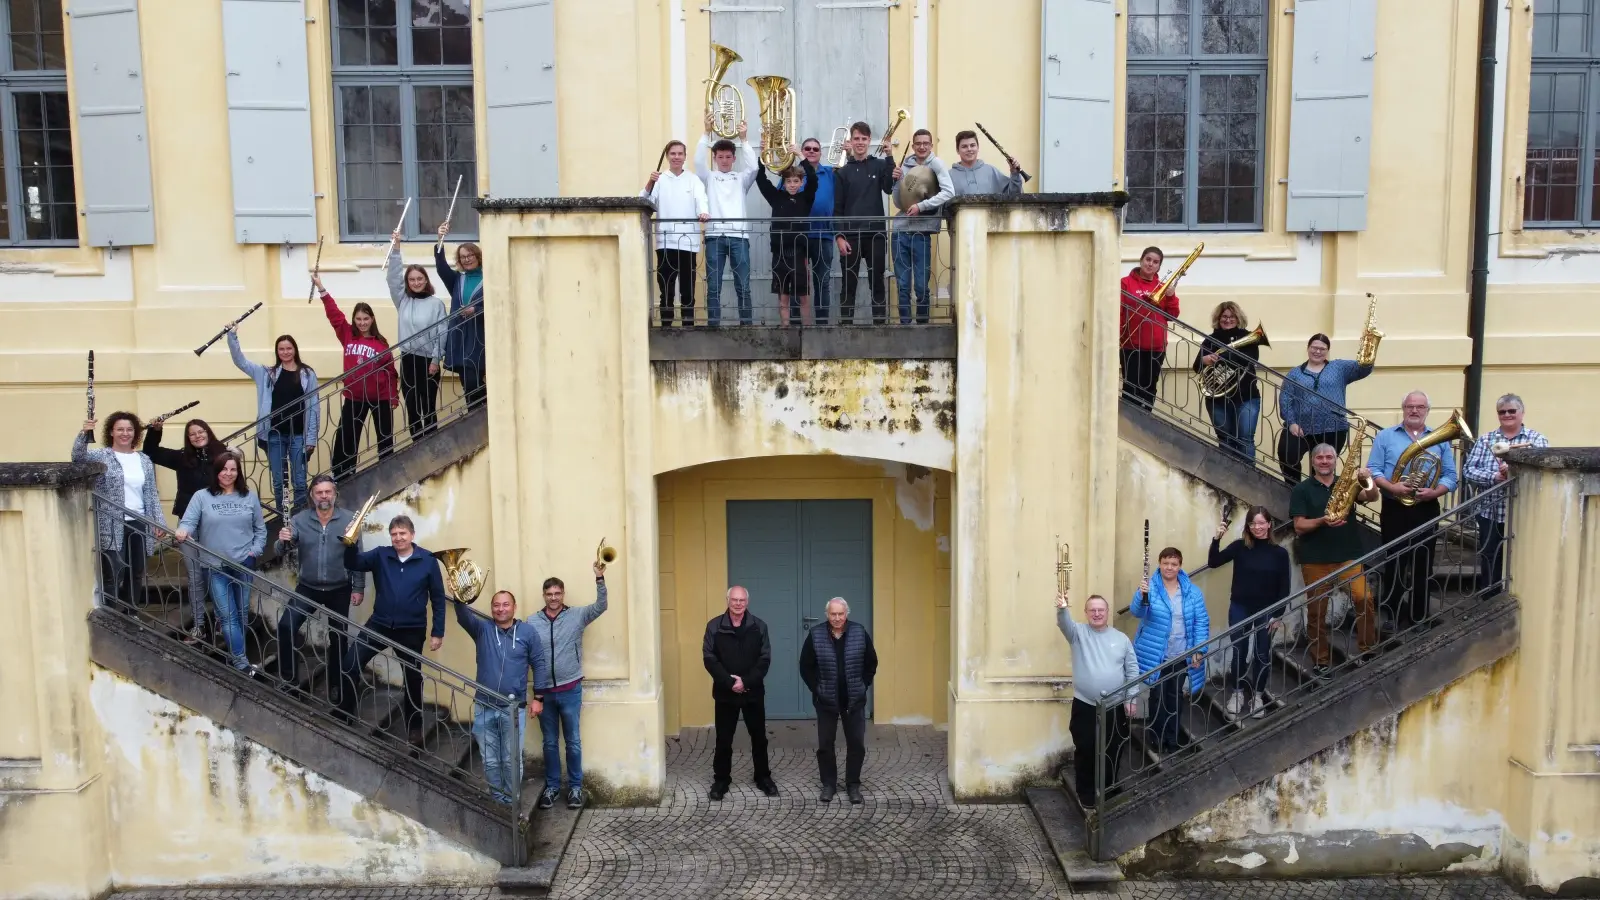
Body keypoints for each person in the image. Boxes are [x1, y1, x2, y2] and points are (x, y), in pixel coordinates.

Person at [339, 515, 447, 743]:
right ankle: (345, 714)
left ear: (412, 535)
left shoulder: (427, 560)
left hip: (412, 630)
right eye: (394, 534)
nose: (398, 538)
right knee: (350, 664)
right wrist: (350, 543)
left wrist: (438, 631)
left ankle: (414, 727)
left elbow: (438, 599)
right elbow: (353, 563)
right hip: (379, 624)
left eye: (402, 533)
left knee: (412, 679)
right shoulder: (381, 554)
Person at [1368, 391, 1459, 634]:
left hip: (1426, 508)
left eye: (1420, 407)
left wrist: (1435, 492)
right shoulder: (1386, 436)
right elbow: (1374, 469)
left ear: (1427, 410)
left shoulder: (1439, 439)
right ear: (1403, 409)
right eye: (1410, 406)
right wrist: (1392, 486)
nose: (1414, 410)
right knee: (1395, 562)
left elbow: (1451, 475)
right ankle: (1392, 615)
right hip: (1395, 507)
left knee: (1423, 563)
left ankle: (1419, 616)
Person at [1290, 443, 1381, 678]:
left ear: (1335, 460)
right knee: (1317, 612)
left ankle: (1368, 650)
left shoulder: (1347, 484)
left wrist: (1368, 480)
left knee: (1364, 598)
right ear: (1312, 462)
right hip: (1315, 559)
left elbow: (1371, 496)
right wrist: (1322, 521)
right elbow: (1299, 526)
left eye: (1329, 457)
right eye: (1319, 457)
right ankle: (1320, 661)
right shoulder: (1302, 489)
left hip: (1348, 556)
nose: (1324, 461)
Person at [275, 474, 366, 702]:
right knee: (286, 626)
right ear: (312, 496)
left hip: (339, 589)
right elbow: (282, 549)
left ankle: (336, 685)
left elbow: (357, 557)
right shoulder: (300, 519)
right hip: (308, 587)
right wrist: (282, 540)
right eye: (319, 492)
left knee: (338, 639)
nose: (324, 496)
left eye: (327, 492)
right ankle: (289, 680)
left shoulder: (349, 519)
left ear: (335, 494)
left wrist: (359, 587)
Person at [528, 562, 609, 811]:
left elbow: (601, 606)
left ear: (563, 594)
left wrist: (599, 578)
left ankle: (575, 787)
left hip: (570, 689)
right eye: (549, 594)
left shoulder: (576, 616)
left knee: (573, 742)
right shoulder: (532, 622)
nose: (553, 598)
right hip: (544, 694)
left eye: (557, 593)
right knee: (550, 743)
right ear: (544, 596)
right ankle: (552, 787)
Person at [176, 453, 267, 674]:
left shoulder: (249, 496)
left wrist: (254, 553)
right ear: (216, 472)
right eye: (223, 469)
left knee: (242, 615)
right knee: (227, 615)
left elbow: (260, 530)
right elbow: (188, 521)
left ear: (238, 472)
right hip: (215, 566)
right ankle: (240, 662)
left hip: (243, 564)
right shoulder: (202, 497)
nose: (228, 474)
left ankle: (235, 657)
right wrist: (183, 530)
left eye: (233, 469)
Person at [452, 589, 545, 805]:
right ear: (491, 608)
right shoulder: (482, 629)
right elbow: (463, 616)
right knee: (491, 760)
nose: (500, 609)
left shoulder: (528, 633)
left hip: (513, 709)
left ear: (514, 607)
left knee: (511, 760)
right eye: (496, 605)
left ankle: (512, 803)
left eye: (505, 604)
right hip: (484, 706)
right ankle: (498, 799)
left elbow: (539, 664)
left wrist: (539, 698)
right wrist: (458, 594)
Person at [145, 416, 228, 643]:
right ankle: (199, 626)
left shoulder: (223, 456)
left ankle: (222, 621)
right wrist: (155, 430)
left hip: (216, 523)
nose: (197, 436)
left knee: (216, 572)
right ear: (188, 438)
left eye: (201, 431)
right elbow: (151, 452)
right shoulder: (182, 458)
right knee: (194, 577)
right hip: (188, 523)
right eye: (192, 433)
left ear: (208, 432)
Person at [1055, 590, 1137, 807]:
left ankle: (1109, 789)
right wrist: (1062, 608)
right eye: (1093, 610)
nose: (1097, 614)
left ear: (1107, 612)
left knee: (1114, 748)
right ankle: (1087, 793)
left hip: (1115, 704)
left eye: (1101, 610)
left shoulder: (1121, 639)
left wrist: (1131, 698)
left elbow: (1132, 670)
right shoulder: (1078, 633)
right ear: (1086, 612)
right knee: (1086, 748)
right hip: (1085, 704)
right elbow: (1064, 624)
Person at [74, 414, 165, 608]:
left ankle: (131, 615)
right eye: (120, 429)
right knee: (114, 573)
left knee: (136, 572)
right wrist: (84, 433)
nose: (125, 433)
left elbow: (151, 493)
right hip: (112, 522)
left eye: (129, 430)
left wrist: (158, 521)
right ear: (111, 432)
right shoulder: (102, 455)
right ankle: (111, 616)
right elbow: (78, 458)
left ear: (135, 433)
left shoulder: (144, 460)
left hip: (139, 521)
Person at [1208, 506, 1290, 718]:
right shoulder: (1239, 547)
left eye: (1262, 523)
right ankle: (1237, 693)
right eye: (1253, 524)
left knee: (1262, 654)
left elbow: (1284, 587)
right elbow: (1214, 562)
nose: (1258, 527)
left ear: (1269, 524)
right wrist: (1217, 538)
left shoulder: (1280, 554)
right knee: (1239, 652)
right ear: (1248, 526)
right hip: (1240, 607)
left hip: (1267, 610)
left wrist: (1278, 614)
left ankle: (1258, 696)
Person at [1463, 393, 1548, 593]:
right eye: (1502, 412)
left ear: (1522, 413)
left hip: (1522, 512)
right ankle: (1488, 600)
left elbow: (1542, 471)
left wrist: (1512, 470)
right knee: (1489, 556)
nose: (1507, 415)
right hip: (1490, 512)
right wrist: (1494, 476)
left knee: (1520, 556)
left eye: (1512, 411)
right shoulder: (1486, 439)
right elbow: (1468, 470)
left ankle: (1517, 598)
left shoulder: (1536, 439)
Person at [1128, 547, 1209, 755]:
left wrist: (1199, 650)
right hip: (1157, 655)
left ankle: (1172, 739)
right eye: (1166, 563)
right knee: (1158, 696)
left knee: (1175, 697)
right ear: (1160, 564)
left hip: (1181, 654)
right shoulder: (1151, 588)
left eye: (1174, 564)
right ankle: (1157, 737)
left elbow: (1201, 622)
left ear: (1180, 565)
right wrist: (1140, 594)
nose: (1169, 567)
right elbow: (1137, 612)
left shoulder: (1192, 592)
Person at [227, 328, 319, 511]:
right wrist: (232, 336)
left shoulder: (307, 374)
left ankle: (299, 518)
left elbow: (314, 406)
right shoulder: (267, 373)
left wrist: (311, 438)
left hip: (298, 435)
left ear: (295, 350)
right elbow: (240, 362)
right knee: (278, 482)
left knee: (300, 481)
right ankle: (282, 519)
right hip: (274, 435)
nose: (285, 352)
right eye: (281, 349)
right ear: (277, 352)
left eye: (289, 348)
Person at [799, 597, 878, 804]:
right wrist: (817, 689)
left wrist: (863, 685)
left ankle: (853, 785)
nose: (836, 618)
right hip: (826, 701)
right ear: (827, 614)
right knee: (825, 744)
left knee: (856, 745)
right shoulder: (816, 635)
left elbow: (871, 662)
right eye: (833, 614)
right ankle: (829, 785)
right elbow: (805, 666)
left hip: (854, 700)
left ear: (846, 613)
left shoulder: (859, 632)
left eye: (840, 614)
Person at [702, 585, 777, 800]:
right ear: (727, 600)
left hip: (753, 692)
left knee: (759, 738)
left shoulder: (759, 626)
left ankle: (763, 777)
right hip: (725, 694)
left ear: (747, 602)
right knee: (724, 739)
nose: (738, 603)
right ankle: (721, 779)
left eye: (742, 600)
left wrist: (746, 681)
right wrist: (728, 682)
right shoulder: (714, 626)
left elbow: (765, 659)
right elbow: (709, 658)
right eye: (734, 600)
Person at [319, 280, 399, 479]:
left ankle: (387, 473)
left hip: (379, 399)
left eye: (365, 319)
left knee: (385, 437)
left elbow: (390, 372)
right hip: (354, 398)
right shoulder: (347, 335)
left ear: (372, 319)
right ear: (354, 320)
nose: (362, 323)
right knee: (346, 438)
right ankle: (343, 476)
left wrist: (393, 397)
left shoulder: (381, 344)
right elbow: (334, 315)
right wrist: (322, 290)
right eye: (358, 319)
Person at [1277, 333, 1373, 484]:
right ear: (1308, 348)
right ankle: (1294, 490)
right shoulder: (1295, 373)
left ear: (1327, 351)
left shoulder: (1339, 367)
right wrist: (1292, 423)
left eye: (1322, 348)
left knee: (1323, 467)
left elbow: (1363, 370)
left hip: (1332, 428)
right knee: (1287, 454)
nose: (1318, 351)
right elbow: (1285, 400)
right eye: (1314, 347)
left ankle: (1320, 499)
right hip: (1301, 427)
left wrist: (1370, 349)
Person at [695, 115, 759, 326]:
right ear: (714, 157)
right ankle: (714, 326)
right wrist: (706, 133)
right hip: (714, 237)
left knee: (743, 285)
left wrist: (744, 139)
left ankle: (746, 326)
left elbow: (754, 168)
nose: (724, 160)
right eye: (720, 156)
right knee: (714, 285)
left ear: (733, 158)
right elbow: (697, 162)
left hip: (739, 237)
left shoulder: (741, 179)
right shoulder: (709, 177)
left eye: (728, 157)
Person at [833, 121, 895, 325]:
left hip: (876, 234)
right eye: (856, 138)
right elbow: (838, 208)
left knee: (876, 281)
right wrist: (839, 236)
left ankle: (880, 326)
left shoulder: (879, 164)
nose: (860, 142)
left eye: (864, 139)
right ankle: (846, 326)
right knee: (848, 283)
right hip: (851, 236)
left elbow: (888, 188)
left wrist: (890, 157)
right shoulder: (842, 172)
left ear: (869, 141)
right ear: (851, 141)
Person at [385, 236, 448, 439]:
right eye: (412, 279)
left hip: (429, 361)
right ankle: (417, 444)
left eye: (420, 279)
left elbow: (441, 332)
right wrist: (396, 249)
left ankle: (431, 443)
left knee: (427, 405)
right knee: (412, 406)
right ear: (408, 283)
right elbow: (393, 280)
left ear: (426, 280)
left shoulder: (435, 304)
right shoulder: (402, 301)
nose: (416, 282)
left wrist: (436, 360)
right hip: (408, 358)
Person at [890, 129, 955, 325]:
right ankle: (905, 327)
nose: (922, 147)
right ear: (913, 145)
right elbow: (898, 202)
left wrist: (922, 206)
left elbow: (949, 192)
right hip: (900, 230)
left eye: (926, 143)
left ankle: (922, 327)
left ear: (931, 145)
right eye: (918, 143)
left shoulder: (936, 164)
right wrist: (897, 182)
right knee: (902, 285)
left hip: (922, 231)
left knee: (920, 286)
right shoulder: (906, 165)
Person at [643, 140, 710, 326]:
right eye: (673, 154)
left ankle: (688, 326)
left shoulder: (693, 179)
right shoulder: (659, 179)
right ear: (667, 156)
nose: (676, 157)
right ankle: (666, 326)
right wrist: (650, 181)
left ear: (685, 156)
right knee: (666, 288)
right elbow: (643, 200)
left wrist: (703, 212)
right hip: (665, 243)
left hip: (688, 243)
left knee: (687, 289)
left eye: (680, 154)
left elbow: (701, 199)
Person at [753, 150, 819, 326]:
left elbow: (813, 179)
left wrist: (801, 156)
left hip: (799, 253)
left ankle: (807, 329)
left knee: (803, 296)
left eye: (795, 181)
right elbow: (761, 179)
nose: (792, 185)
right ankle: (785, 328)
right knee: (784, 298)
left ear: (801, 182)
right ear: (783, 183)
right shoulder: (776, 197)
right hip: (779, 253)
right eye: (788, 181)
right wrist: (762, 156)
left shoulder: (806, 198)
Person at [1194, 302, 1262, 460]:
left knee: (1245, 440)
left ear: (1238, 319)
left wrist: (1220, 356)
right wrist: (1205, 360)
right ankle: (1228, 479)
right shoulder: (1211, 339)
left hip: (1247, 397)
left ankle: (1248, 479)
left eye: (1232, 316)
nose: (1228, 319)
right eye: (1224, 316)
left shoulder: (1249, 337)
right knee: (1225, 441)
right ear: (1218, 319)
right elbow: (1197, 366)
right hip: (1218, 399)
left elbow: (1250, 359)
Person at [1119, 247, 1181, 411]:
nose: (1150, 264)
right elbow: (1118, 311)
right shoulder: (1125, 283)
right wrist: (1118, 336)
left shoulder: (1163, 286)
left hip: (1156, 347)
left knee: (1149, 387)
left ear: (1159, 266)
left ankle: (1144, 421)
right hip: (1131, 345)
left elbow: (1172, 315)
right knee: (1131, 387)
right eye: (1148, 259)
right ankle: (1129, 423)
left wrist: (1171, 296)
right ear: (1141, 260)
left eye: (1155, 262)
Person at [434, 224, 486, 411]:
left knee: (475, 380)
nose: (467, 259)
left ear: (477, 256)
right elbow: (441, 267)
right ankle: (477, 415)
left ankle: (481, 413)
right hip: (461, 339)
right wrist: (440, 239)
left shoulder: (489, 279)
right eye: (463, 257)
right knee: (467, 381)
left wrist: (477, 309)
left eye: (470, 255)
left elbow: (496, 304)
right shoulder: (458, 280)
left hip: (480, 337)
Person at [798, 137, 837, 323]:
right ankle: (797, 326)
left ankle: (822, 326)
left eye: (815, 149)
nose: (811, 151)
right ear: (802, 151)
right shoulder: (792, 173)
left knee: (823, 283)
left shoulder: (830, 173)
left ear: (821, 153)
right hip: (799, 238)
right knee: (798, 283)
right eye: (807, 148)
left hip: (824, 235)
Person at [949, 130, 1024, 197]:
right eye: (964, 146)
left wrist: (1014, 174)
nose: (969, 149)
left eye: (972, 145)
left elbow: (1013, 196)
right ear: (957, 150)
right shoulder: (949, 176)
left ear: (978, 147)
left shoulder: (991, 171)